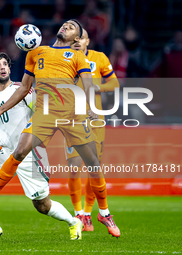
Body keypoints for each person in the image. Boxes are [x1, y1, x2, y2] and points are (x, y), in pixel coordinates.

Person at [0, 19, 120, 238]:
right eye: (65, 24)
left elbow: (89, 85)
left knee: (93, 163)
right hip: (44, 114)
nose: (66, 26)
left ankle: (104, 213)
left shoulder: (78, 56)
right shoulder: (36, 52)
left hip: (72, 115)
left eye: (72, 27)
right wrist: (0, 110)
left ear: (77, 38)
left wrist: (91, 106)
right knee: (19, 151)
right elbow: (24, 88)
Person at [0, 52, 82, 240]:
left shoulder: (23, 91)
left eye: (5, 64)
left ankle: (74, 222)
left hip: (30, 154)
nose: (2, 67)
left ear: (9, 69)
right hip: (5, 154)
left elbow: (43, 112)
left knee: (42, 205)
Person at [64, 29, 119, 234]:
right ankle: (78, 212)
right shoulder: (64, 59)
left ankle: (89, 213)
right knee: (74, 167)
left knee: (94, 168)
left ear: (87, 41)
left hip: (96, 119)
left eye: (81, 38)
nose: (77, 41)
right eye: (74, 38)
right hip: (72, 119)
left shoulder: (99, 58)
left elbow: (114, 83)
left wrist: (97, 89)